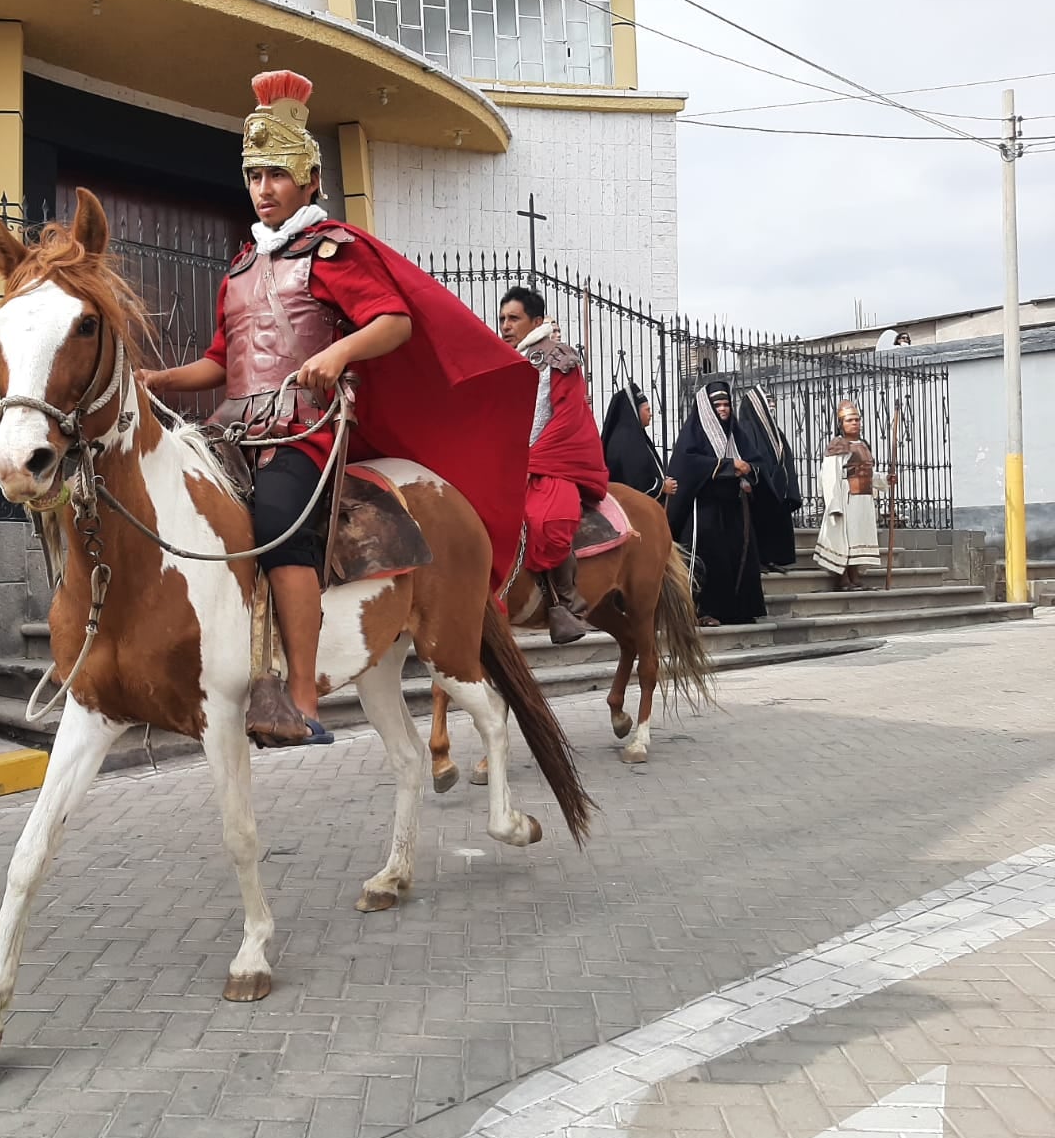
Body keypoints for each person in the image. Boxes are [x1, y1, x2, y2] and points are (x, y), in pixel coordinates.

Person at [141, 70, 536, 744]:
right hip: (233, 428)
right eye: (255, 176)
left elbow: (395, 322)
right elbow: (220, 361)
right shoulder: (238, 270)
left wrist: (337, 354)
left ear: (309, 179)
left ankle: (300, 694)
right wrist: (159, 379)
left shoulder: (332, 252)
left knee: (278, 518)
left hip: (305, 431)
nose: (263, 189)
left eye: (276, 175)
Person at [496, 288, 609, 644]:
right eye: (502, 319)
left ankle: (566, 602)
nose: (505, 326)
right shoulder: (504, 359)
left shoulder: (560, 359)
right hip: (510, 462)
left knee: (546, 520)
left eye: (513, 318)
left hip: (551, 463)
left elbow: (569, 417)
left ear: (537, 321)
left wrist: (533, 460)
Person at [666, 382, 766, 627]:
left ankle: (739, 609)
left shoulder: (736, 433)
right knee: (707, 559)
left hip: (734, 507)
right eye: (718, 405)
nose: (723, 410)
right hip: (704, 507)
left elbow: (755, 462)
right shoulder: (694, 432)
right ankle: (701, 610)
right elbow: (687, 464)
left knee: (739, 556)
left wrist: (747, 470)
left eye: (726, 405)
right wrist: (729, 466)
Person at [814, 400, 893, 591]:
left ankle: (855, 576)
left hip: (863, 499)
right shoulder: (838, 446)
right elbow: (830, 476)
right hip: (846, 497)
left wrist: (885, 479)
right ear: (841, 423)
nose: (855, 423)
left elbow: (866, 473)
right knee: (845, 539)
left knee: (858, 538)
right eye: (850, 420)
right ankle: (843, 579)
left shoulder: (863, 445)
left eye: (857, 419)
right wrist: (834, 504)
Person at [733, 386, 801, 574]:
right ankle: (759, 560)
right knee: (757, 525)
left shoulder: (774, 430)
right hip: (757, 488)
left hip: (775, 486)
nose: (772, 405)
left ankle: (772, 558)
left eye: (773, 401)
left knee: (774, 524)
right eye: (768, 401)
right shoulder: (746, 429)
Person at [600, 382, 676, 504]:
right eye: (647, 410)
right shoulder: (626, 440)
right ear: (635, 411)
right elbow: (636, 479)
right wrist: (662, 486)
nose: (650, 414)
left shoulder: (632, 436)